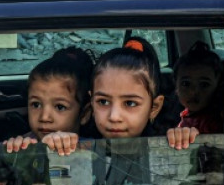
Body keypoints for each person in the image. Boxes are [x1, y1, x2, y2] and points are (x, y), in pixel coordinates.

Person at [39, 37, 198, 156]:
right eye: (103, 101)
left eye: (130, 103)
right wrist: (51, 146)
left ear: (154, 108)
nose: (114, 116)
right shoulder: (77, 147)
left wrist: (184, 139)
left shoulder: (166, 145)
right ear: (92, 103)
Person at [174, 41, 224, 134]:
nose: (193, 91)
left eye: (204, 85)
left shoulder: (214, 122)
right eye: (186, 84)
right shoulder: (186, 114)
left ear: (217, 86)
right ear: (176, 87)